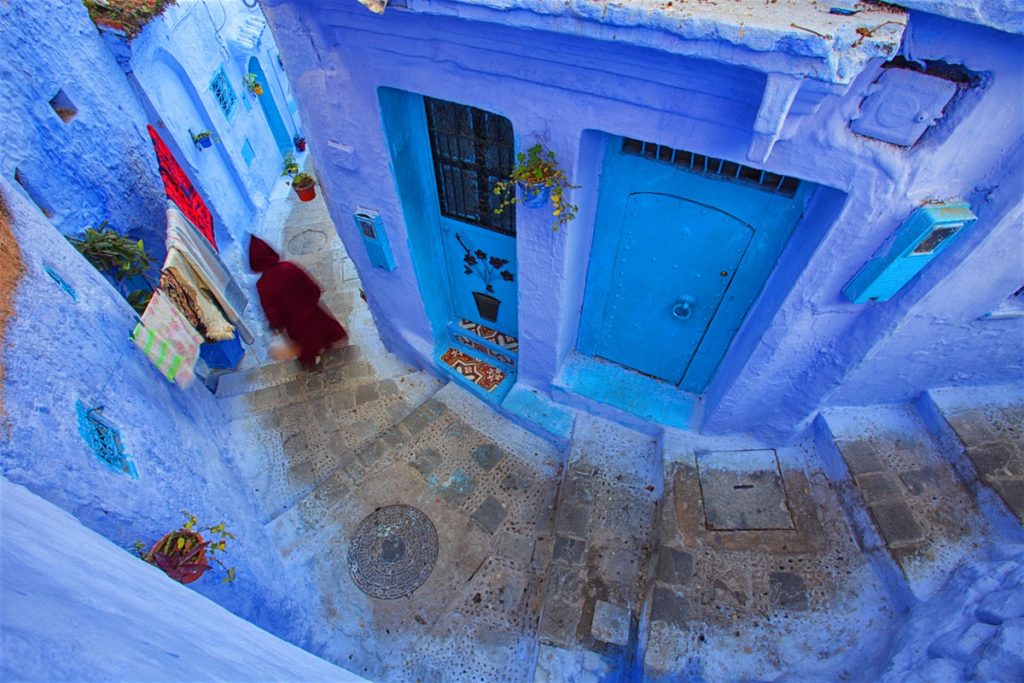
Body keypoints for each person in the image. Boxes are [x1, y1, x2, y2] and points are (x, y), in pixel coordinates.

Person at [248, 235, 347, 370]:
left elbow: (271, 310)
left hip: (293, 322)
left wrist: (277, 324)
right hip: (312, 311)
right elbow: (312, 286)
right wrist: (312, 300)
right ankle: (330, 347)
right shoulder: (289, 267)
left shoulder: (262, 285)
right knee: (322, 330)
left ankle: (312, 363)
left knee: (306, 342)